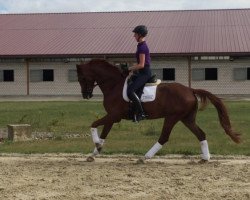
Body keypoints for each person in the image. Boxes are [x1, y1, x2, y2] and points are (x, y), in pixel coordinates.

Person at [127, 25, 152, 122]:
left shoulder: (142, 47)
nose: (134, 36)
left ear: (140, 35)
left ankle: (141, 113)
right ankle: (134, 111)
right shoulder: (140, 46)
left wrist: (130, 68)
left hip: (144, 73)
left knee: (130, 91)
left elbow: (141, 65)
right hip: (141, 72)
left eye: (135, 34)